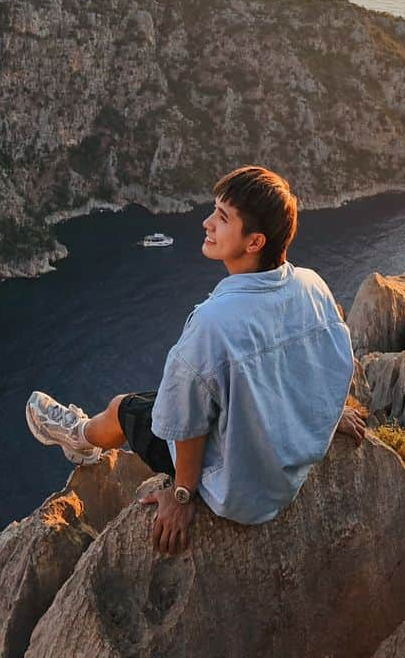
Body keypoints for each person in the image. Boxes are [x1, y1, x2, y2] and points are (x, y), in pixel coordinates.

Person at [26, 165, 363, 556]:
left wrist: (182, 496)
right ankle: (84, 435)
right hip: (286, 467)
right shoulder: (312, 285)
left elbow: (185, 424)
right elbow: (327, 361)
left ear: (254, 242)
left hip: (241, 494)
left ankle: (80, 439)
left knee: (124, 408)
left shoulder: (212, 323)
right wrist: (328, 418)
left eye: (222, 218)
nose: (206, 223)